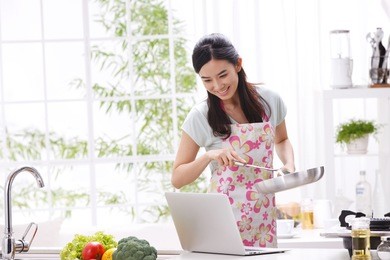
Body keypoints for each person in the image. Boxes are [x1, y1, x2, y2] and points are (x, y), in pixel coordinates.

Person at [171, 33, 295, 248]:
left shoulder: (270, 101)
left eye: (222, 75)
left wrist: (289, 164)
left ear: (238, 64)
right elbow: (178, 178)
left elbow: (282, 140)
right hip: (222, 222)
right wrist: (210, 155)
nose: (217, 86)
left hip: (263, 218)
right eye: (207, 80)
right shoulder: (200, 116)